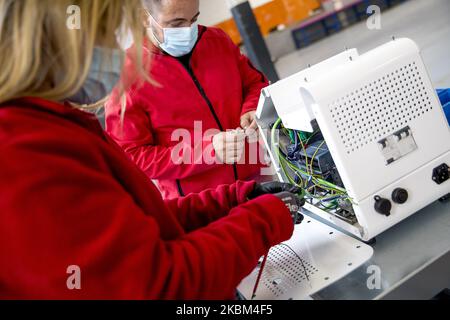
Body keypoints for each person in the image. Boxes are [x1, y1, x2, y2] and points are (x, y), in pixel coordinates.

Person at [0, 0, 303, 299]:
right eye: (105, 34)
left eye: (193, 19)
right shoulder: (28, 148)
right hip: (204, 249)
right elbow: (160, 284)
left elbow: (142, 219)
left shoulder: (65, 124)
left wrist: (235, 199)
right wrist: (211, 156)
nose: (113, 50)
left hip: (233, 206)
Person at [105, 0, 270, 199]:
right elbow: (133, 157)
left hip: (257, 179)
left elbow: (254, 83)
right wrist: (207, 152)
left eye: (194, 19)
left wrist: (251, 108)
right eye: (176, 23)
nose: (188, 30)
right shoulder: (126, 76)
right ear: (144, 18)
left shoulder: (217, 40)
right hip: (200, 204)